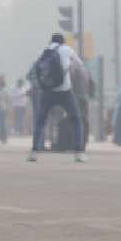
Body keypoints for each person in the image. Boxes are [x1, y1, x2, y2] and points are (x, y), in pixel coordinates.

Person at [28, 33, 86, 163]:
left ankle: (34, 152)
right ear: (63, 42)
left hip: (47, 92)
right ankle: (79, 153)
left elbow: (35, 71)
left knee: (40, 121)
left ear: (51, 41)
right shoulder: (67, 49)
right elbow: (80, 65)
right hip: (65, 91)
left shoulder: (44, 51)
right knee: (76, 120)